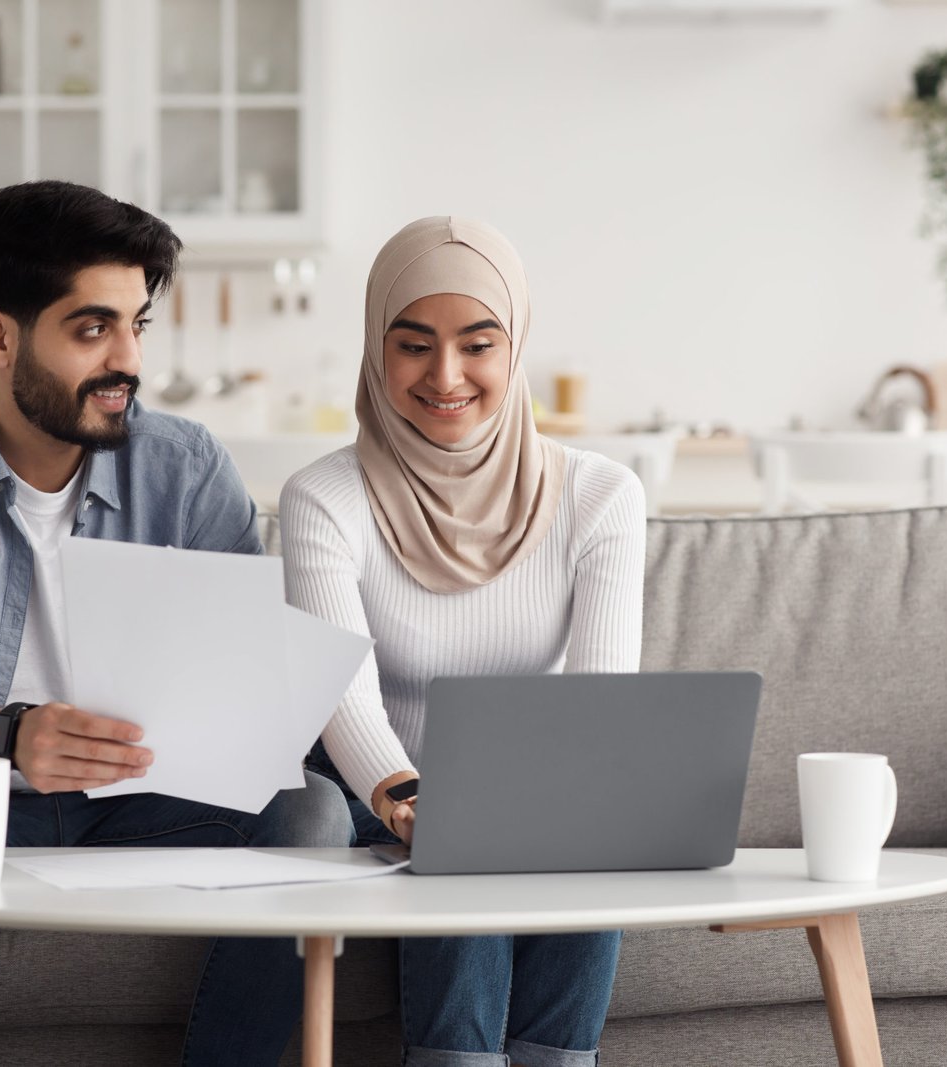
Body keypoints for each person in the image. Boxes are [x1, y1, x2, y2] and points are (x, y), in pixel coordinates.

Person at [0, 180, 350, 1067]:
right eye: (93, 329)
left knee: (312, 813)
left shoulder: (188, 467)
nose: (130, 361)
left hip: (143, 807)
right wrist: (11, 739)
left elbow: (249, 700)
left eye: (138, 324)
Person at [280, 217, 646, 1067]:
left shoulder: (601, 496)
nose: (445, 376)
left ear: (515, 347)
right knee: (462, 844)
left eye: (477, 344)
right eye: (413, 345)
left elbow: (597, 707)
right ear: (377, 348)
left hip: (543, 790)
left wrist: (528, 804)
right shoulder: (323, 499)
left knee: (575, 840)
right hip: (383, 784)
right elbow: (344, 692)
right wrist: (412, 794)